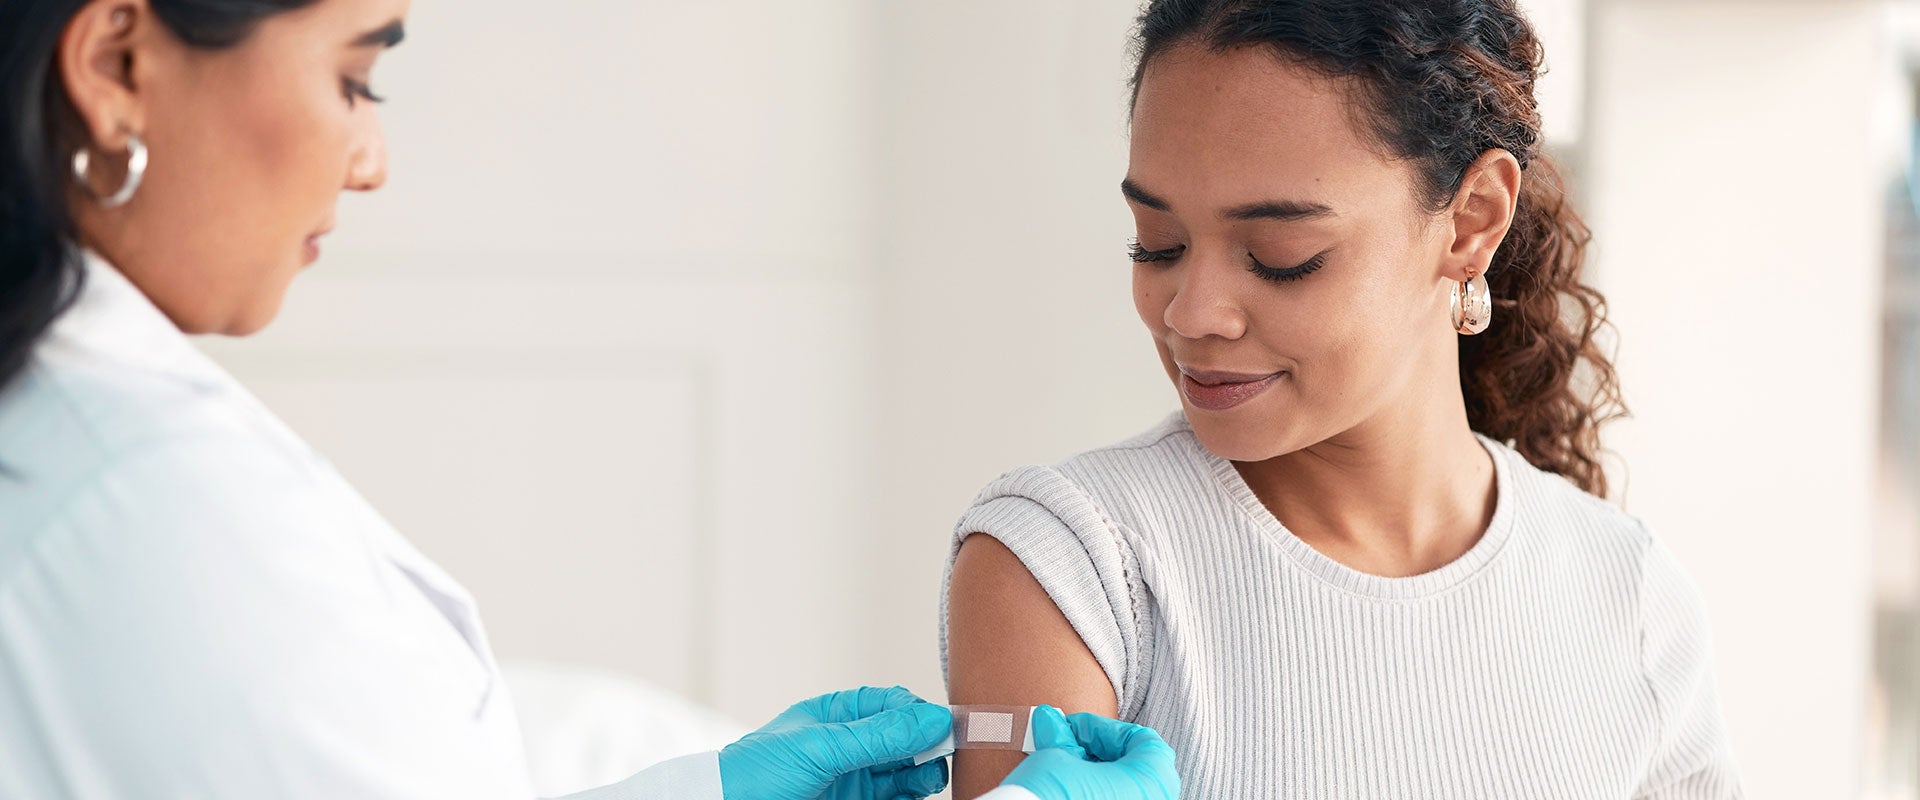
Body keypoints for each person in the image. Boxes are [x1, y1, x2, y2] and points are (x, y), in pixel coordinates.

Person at [0, 1, 1183, 798]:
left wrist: (705, 789)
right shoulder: (140, 502)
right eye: (356, 77)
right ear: (115, 65)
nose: (370, 160)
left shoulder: (97, 451)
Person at [942, 0, 1742, 797]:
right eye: (1158, 243)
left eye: (1280, 256)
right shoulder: (1076, 563)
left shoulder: (1629, 597)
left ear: (1471, 221)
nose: (1190, 313)